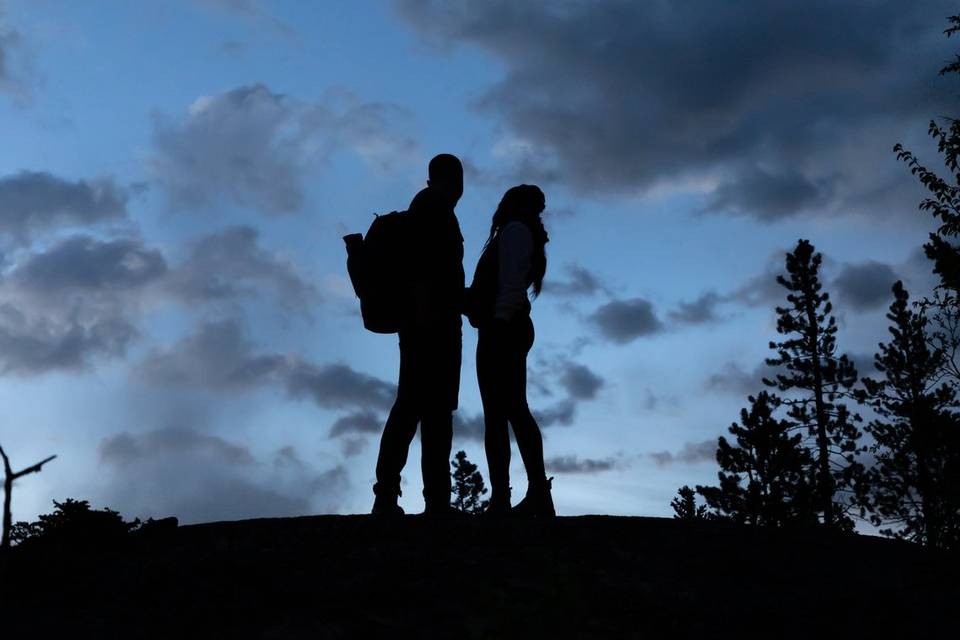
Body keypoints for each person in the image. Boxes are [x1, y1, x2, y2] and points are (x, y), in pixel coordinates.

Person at [372, 154, 465, 516]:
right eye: (456, 180)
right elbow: (428, 273)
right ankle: (403, 497)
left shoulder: (430, 207)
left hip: (427, 323)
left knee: (423, 410)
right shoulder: (432, 209)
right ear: (449, 180)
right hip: (430, 327)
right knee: (421, 410)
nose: (459, 188)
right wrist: (432, 315)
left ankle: (427, 498)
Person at [466, 184, 554, 516]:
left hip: (503, 329)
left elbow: (511, 285)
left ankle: (512, 497)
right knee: (510, 411)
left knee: (504, 413)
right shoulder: (516, 232)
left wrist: (498, 322)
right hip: (505, 326)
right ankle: (524, 495)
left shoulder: (514, 231)